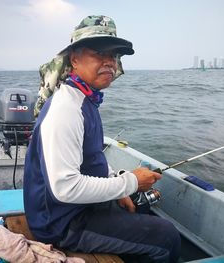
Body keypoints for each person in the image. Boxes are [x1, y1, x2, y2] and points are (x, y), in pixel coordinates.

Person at [24, 15, 181, 263]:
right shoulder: (66, 108)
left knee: (141, 209)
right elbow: (64, 188)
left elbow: (93, 156)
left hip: (79, 208)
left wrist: (117, 185)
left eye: (114, 55)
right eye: (99, 53)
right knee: (168, 236)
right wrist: (130, 182)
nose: (110, 61)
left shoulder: (86, 99)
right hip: (61, 222)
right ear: (74, 59)